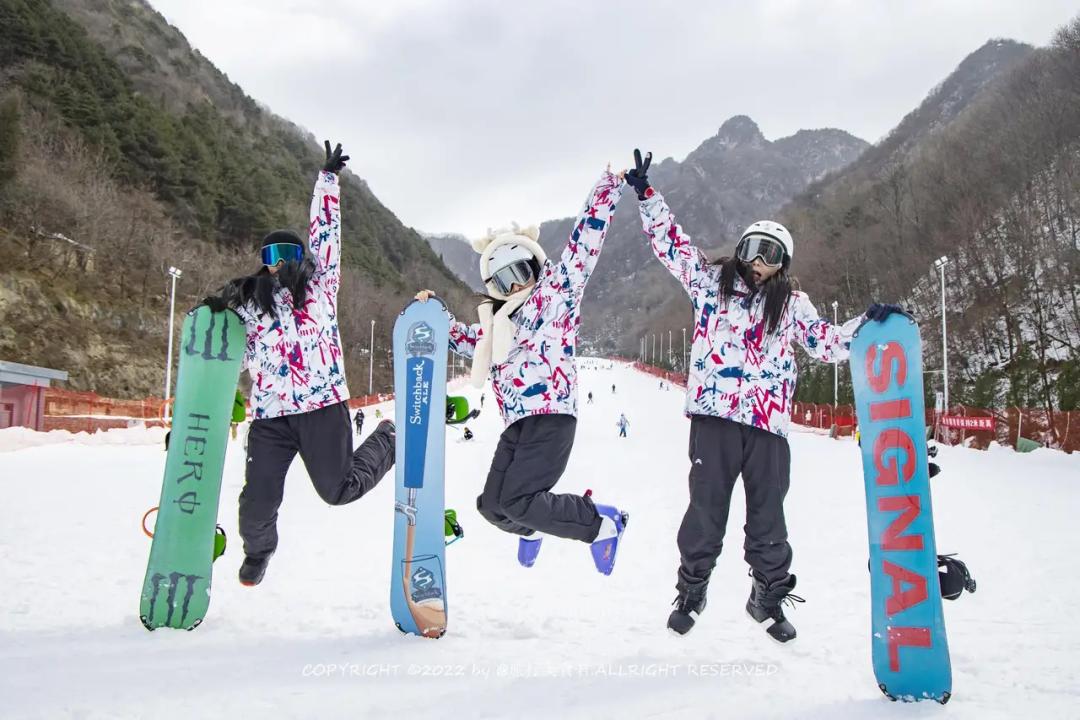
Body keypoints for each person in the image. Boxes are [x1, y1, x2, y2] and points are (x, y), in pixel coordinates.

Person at [622, 148, 899, 640]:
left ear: (782, 265)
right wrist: (647, 195)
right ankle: (692, 587)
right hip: (715, 420)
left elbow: (825, 343)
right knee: (705, 512)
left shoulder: (792, 303)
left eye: (770, 255)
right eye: (752, 248)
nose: (757, 261)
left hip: (768, 426)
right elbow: (673, 245)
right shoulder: (710, 284)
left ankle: (767, 595)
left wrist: (866, 325)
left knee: (768, 517)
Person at [415, 168, 628, 575]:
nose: (514, 287)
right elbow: (463, 341)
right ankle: (531, 530)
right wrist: (432, 312)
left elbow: (585, 242)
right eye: (503, 279)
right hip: (517, 424)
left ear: (536, 266)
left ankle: (601, 523)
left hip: (551, 417)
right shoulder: (496, 325)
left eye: (521, 273)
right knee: (492, 507)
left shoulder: (556, 296)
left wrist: (609, 185)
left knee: (518, 501)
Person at [203, 141, 395, 587]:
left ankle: (387, 439)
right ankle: (259, 552)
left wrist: (327, 181)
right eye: (270, 257)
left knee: (338, 491)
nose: (279, 265)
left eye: (288, 256)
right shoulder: (250, 306)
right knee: (256, 503)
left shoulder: (322, 289)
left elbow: (326, 233)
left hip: (322, 409)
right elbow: (234, 360)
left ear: (303, 260)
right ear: (262, 265)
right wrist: (216, 322)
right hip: (271, 416)